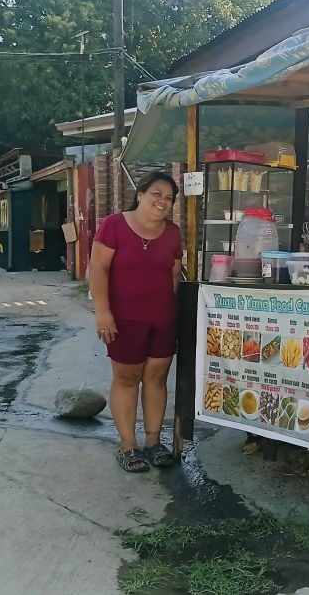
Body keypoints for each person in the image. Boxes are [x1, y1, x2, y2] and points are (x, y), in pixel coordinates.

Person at [90, 171, 183, 472]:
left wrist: (164, 309)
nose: (163, 201)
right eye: (157, 193)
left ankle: (153, 442)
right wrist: (103, 312)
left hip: (162, 320)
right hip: (124, 319)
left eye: (169, 198)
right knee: (127, 379)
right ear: (140, 193)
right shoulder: (114, 225)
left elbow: (173, 275)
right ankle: (128, 446)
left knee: (156, 378)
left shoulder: (173, 233)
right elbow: (98, 270)